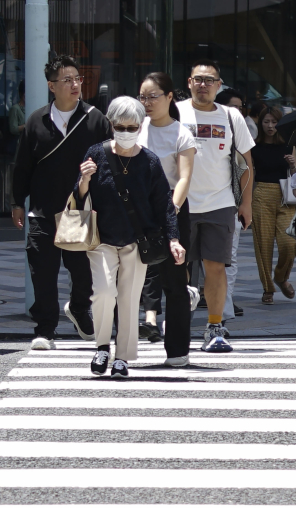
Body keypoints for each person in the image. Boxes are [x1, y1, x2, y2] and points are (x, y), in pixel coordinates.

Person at [75, 96, 185, 377]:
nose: (126, 132)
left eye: (132, 126)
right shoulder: (96, 153)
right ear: (111, 125)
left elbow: (164, 203)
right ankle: (102, 346)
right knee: (103, 292)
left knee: (128, 298)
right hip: (101, 239)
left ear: (140, 125)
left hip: (137, 241)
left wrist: (173, 238)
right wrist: (84, 181)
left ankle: (122, 357)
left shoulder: (149, 161)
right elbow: (78, 199)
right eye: (120, 126)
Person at [12, 55, 112, 350]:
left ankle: (80, 308)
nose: (74, 85)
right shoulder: (36, 120)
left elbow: (109, 165)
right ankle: (45, 329)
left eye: (77, 79)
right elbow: (23, 167)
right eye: (66, 80)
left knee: (82, 273)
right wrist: (17, 201)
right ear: (51, 86)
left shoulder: (95, 119)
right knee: (42, 273)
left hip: (80, 212)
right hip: (43, 210)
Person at [177, 59, 255, 353]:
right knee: (178, 266)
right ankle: (178, 320)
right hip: (180, 203)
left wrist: (245, 204)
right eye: (198, 79)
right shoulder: (175, 112)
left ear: (218, 85)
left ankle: (214, 326)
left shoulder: (231, 116)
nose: (204, 85)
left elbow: (247, 165)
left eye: (210, 80)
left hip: (220, 203)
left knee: (216, 268)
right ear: (189, 82)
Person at [136, 72, 198, 366]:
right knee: (128, 277)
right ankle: (120, 346)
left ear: (170, 97)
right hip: (137, 209)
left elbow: (185, 176)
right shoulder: (135, 129)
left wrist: (171, 208)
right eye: (142, 97)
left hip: (172, 209)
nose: (146, 103)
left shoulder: (181, 133)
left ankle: (177, 351)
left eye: (153, 96)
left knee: (174, 282)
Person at [251, 106, 296, 304]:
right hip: (262, 193)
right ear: (260, 124)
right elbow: (248, 175)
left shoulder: (289, 146)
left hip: (286, 196)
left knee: (289, 243)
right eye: (266, 122)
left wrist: (293, 165)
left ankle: (281, 277)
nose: (270, 126)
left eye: (274, 122)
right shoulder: (253, 146)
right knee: (263, 245)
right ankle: (267, 288)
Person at [214, 87, 248, 325]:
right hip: (192, 204)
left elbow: (247, 165)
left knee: (228, 259)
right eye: (234, 107)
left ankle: (223, 311)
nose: (238, 112)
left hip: (229, 204)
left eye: (240, 108)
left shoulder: (240, 130)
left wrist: (246, 204)